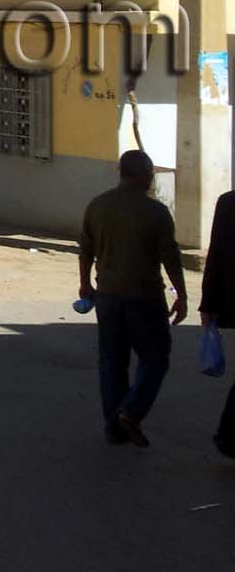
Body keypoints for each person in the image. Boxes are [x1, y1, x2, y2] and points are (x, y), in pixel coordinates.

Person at [78, 149, 188, 447]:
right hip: (144, 297)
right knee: (155, 357)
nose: (152, 178)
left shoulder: (98, 205)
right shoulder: (156, 212)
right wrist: (181, 294)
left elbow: (85, 249)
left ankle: (113, 426)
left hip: (108, 296)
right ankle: (131, 411)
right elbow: (170, 257)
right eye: (150, 173)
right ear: (143, 175)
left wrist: (85, 284)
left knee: (112, 361)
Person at [198, 190, 235, 458]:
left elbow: (215, 256)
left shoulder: (227, 202)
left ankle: (228, 435)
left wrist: (208, 303)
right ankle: (228, 435)